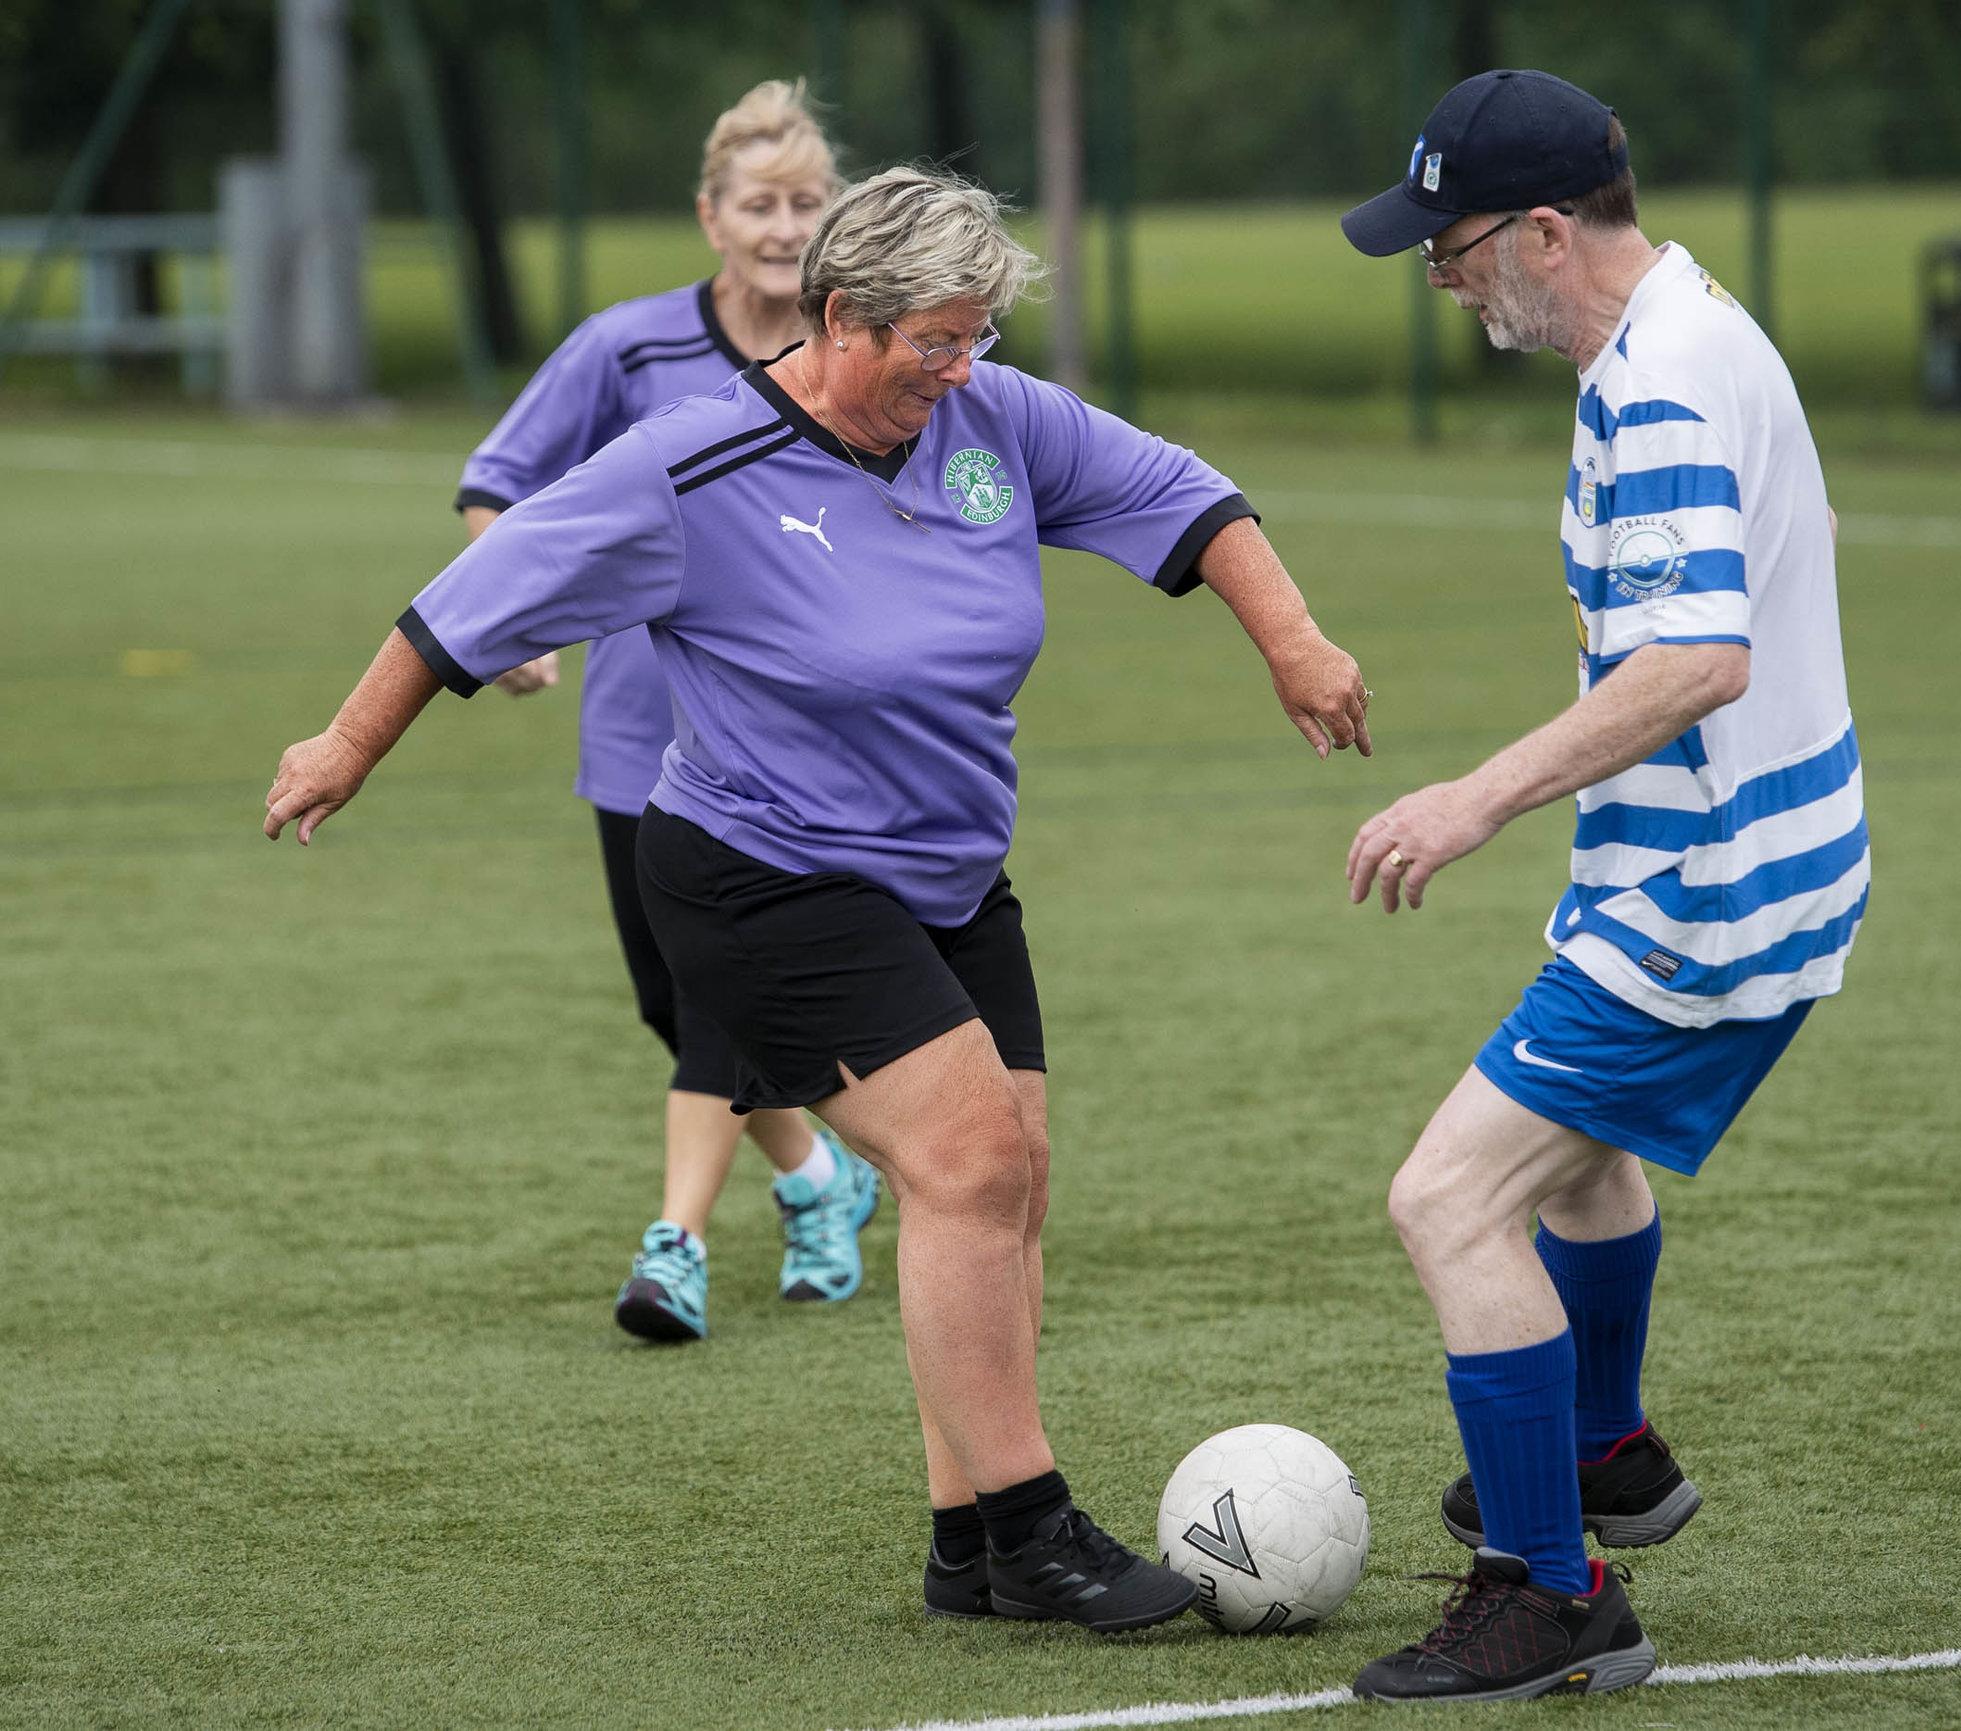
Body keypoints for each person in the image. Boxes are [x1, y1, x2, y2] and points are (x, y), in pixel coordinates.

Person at [266, 165, 1372, 1632]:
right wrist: (346, 742)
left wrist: (1291, 640)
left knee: (1008, 1178)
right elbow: (468, 599)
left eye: (977, 336)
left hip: (950, 873)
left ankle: (968, 1540)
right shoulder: (690, 464)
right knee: (966, 1158)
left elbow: (1181, 492)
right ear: (841, 315)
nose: (962, 368)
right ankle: (1040, 1532)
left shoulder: (992, 418)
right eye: (935, 339)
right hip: (761, 875)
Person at [1336, 71, 1864, 1701]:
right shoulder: (1679, 330)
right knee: (1573, 1167)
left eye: (1455, 248)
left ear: (1548, 233)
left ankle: (1554, 1595)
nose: (1442, 278)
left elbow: (1701, 655)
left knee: (1447, 1200)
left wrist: (1474, 796)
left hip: (1709, 896)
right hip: (1735, 865)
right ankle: (1608, 1450)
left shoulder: (1670, 385)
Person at [454, 80, 879, 1343]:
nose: (784, 225)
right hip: (633, 742)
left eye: (809, 203)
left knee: (715, 1007)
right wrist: (509, 624)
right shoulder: (624, 347)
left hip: (779, 751)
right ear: (711, 214)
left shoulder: (848, 358)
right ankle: (818, 1177)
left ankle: (674, 1250)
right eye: (760, 203)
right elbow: (498, 488)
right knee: (671, 1002)